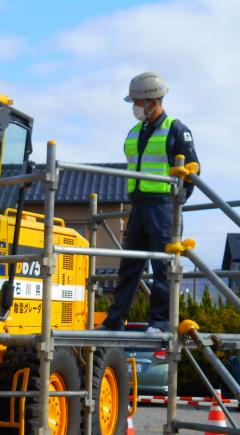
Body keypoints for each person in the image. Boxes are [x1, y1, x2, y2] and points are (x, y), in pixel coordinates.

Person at [101, 72, 199, 333]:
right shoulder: (136, 131)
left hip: (162, 206)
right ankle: (114, 320)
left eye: (137, 102)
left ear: (153, 102)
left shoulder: (176, 129)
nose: (134, 107)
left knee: (163, 267)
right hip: (139, 205)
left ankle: (160, 322)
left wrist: (176, 205)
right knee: (129, 265)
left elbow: (192, 171)